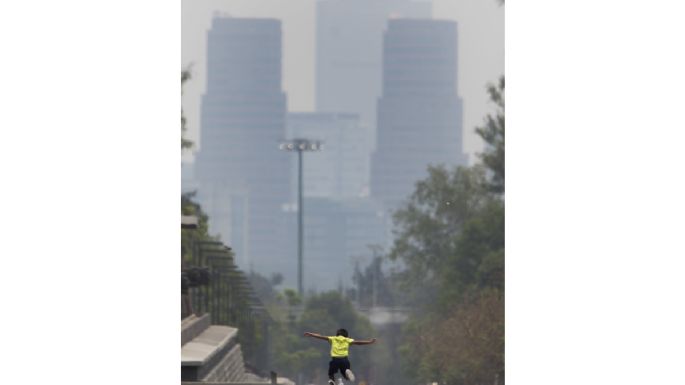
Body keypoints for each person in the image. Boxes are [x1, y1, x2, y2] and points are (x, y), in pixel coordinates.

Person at [304, 329, 377, 385]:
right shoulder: (347, 340)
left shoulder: (333, 338)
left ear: (337, 334)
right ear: (346, 335)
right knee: (346, 375)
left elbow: (321, 337)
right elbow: (359, 343)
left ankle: (332, 381)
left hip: (335, 360)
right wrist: (369, 342)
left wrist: (311, 334)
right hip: (344, 360)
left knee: (331, 373)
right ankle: (346, 372)